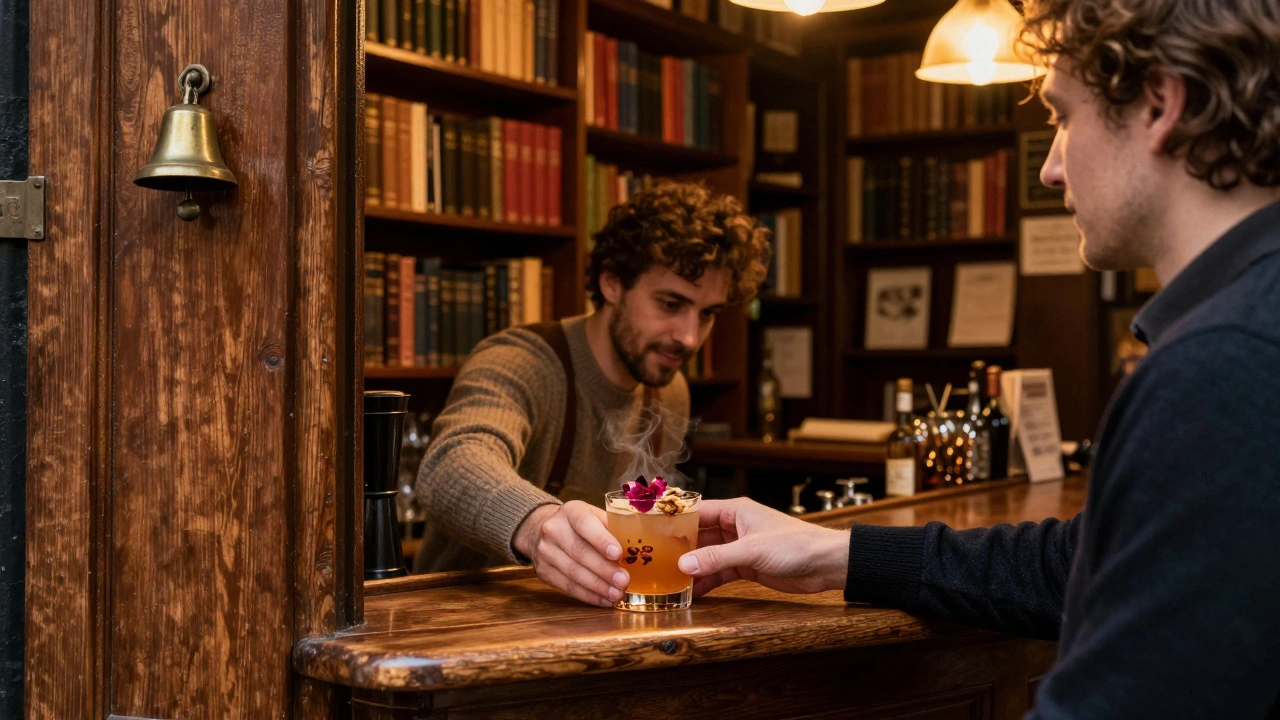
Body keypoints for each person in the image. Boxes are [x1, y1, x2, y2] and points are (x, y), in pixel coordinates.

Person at [678, 1, 1280, 717]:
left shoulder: (1223, 366)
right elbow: (1079, 564)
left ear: (1159, 105)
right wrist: (835, 554)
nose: (1051, 167)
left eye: (1061, 114)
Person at [413, 181, 770, 609]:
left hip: (587, 630)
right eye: (671, 304)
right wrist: (537, 525)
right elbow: (450, 464)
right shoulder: (519, 361)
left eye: (707, 313)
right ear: (611, 283)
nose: (690, 337)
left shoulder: (669, 390)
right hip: (462, 625)